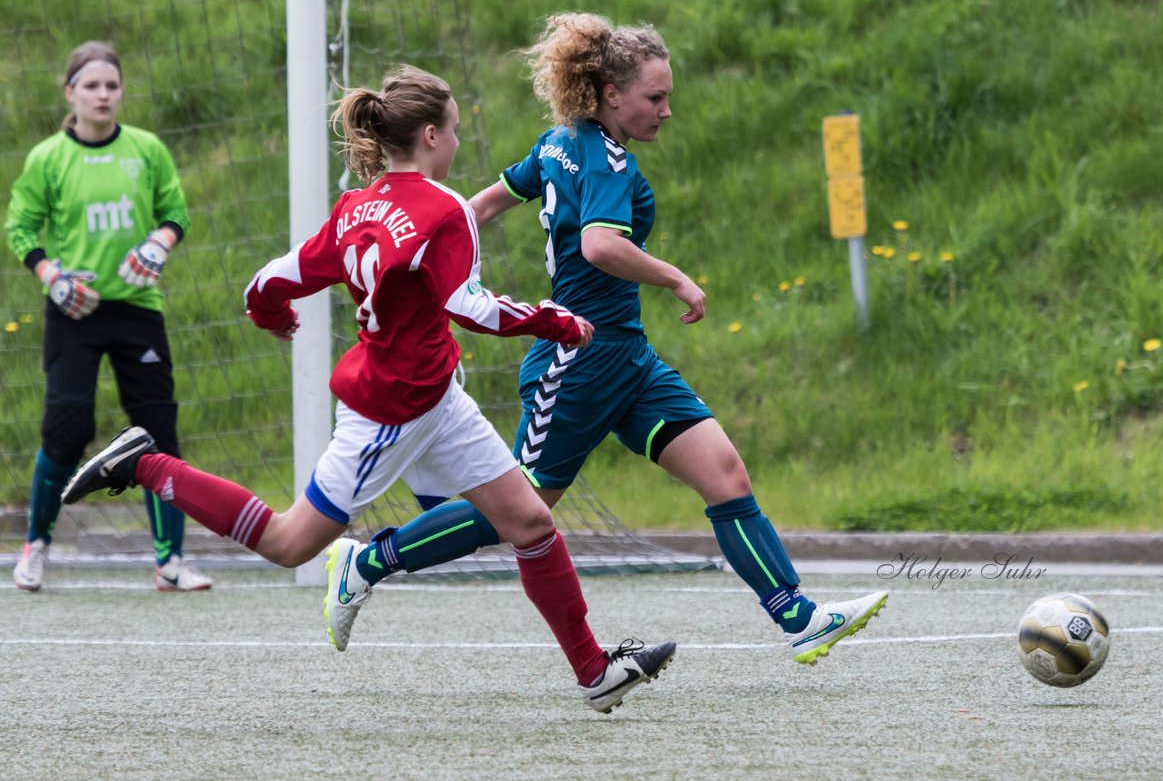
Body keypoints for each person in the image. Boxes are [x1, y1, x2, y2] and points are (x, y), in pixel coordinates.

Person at [61, 65, 676, 714]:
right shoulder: (444, 210)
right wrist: (557, 320)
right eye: (458, 130)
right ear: (433, 135)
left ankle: (593, 672)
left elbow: (272, 278)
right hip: (390, 409)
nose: (461, 143)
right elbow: (469, 307)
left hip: (436, 395)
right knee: (286, 542)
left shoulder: (358, 206)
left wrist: (275, 317)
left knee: (528, 520)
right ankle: (144, 463)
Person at [333, 13, 889, 665]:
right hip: (576, 362)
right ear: (609, 94)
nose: (667, 109)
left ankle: (797, 616)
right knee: (522, 508)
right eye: (655, 97)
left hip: (628, 358)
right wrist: (674, 277)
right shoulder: (608, 160)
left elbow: (474, 209)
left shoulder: (556, 142)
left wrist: (435, 260)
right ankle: (368, 562)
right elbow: (600, 246)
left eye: (667, 95)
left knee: (725, 472)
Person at [5, 41, 211, 593]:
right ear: (70, 92)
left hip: (138, 312)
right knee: (67, 428)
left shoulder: (146, 150)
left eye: (112, 85)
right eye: (91, 85)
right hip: (74, 313)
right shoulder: (49, 157)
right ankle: (36, 547)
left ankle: (170, 560)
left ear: (121, 93)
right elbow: (20, 227)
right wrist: (53, 277)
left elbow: (175, 212)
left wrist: (159, 244)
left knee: (157, 430)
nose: (103, 95)